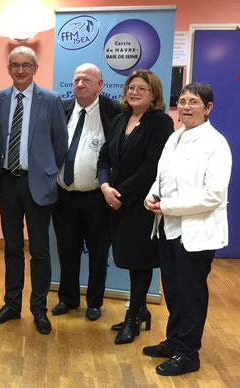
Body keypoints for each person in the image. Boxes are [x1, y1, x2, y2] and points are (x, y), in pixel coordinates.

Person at [143, 82, 232, 376]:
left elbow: (213, 196)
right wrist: (152, 196)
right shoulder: (175, 137)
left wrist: (167, 205)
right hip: (169, 227)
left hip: (197, 232)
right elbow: (162, 176)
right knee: (174, 290)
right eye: (182, 101)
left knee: (191, 293)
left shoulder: (216, 144)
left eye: (194, 102)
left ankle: (188, 353)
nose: (186, 107)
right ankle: (173, 341)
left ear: (208, 108)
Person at [0, 46, 67, 335]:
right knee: (11, 248)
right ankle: (11, 305)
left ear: (35, 68)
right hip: (7, 182)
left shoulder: (52, 100)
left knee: (41, 251)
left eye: (26, 65)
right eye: (15, 65)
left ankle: (39, 309)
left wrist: (46, 171)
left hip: (38, 184)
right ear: (8, 69)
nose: (20, 70)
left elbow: (61, 145)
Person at [97, 69, 173, 344]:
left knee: (140, 262)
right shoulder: (120, 119)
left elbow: (153, 166)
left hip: (141, 204)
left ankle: (134, 318)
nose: (135, 92)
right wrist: (105, 186)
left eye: (142, 88)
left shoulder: (161, 122)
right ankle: (141, 311)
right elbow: (104, 157)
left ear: (154, 94)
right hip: (115, 200)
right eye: (131, 87)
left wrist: (120, 192)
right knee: (127, 260)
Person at [52, 63, 121, 321]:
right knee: (67, 251)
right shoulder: (62, 108)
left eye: (87, 80)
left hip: (97, 197)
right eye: (77, 79)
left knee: (98, 252)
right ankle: (68, 299)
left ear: (100, 85)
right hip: (64, 196)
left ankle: (94, 302)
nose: (80, 84)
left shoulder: (114, 112)